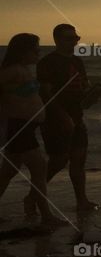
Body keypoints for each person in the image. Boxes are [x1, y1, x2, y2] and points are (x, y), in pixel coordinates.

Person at [27, 24, 101, 214]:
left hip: (77, 115)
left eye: (75, 38)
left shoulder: (77, 61)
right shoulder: (47, 62)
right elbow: (45, 93)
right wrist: (62, 116)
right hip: (54, 119)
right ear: (57, 40)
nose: (74, 41)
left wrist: (91, 96)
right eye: (69, 38)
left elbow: (82, 86)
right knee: (58, 160)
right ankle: (32, 196)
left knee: (79, 159)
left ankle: (82, 201)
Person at [0, 34, 66, 226]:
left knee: (7, 172)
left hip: (25, 127)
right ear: (23, 51)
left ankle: (45, 214)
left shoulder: (23, 70)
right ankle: (46, 215)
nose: (39, 53)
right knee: (39, 168)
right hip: (19, 127)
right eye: (36, 50)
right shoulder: (12, 71)